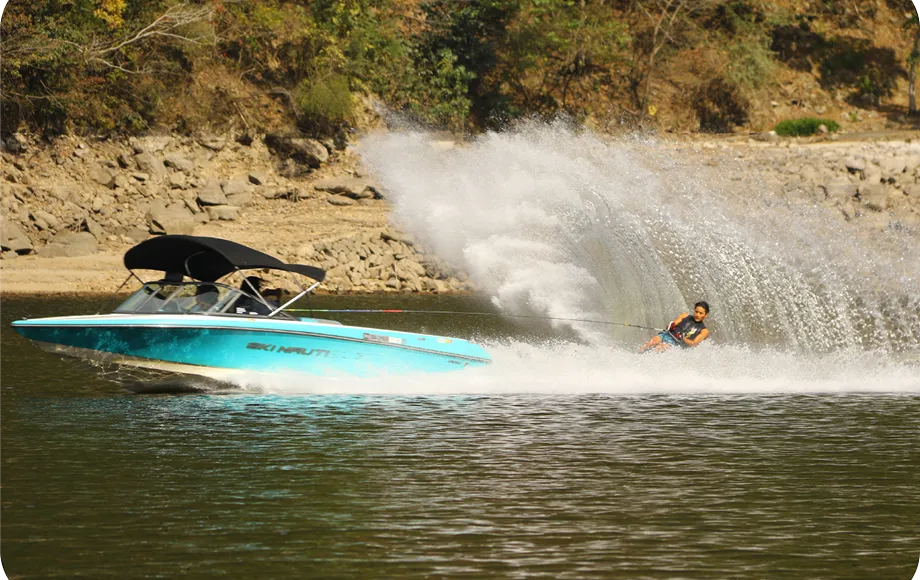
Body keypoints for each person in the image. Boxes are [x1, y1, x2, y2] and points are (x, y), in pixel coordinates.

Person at [639, 301, 711, 353]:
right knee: (652, 342)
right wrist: (671, 326)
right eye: (696, 311)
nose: (697, 315)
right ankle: (638, 355)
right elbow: (672, 324)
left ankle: (646, 363)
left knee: (659, 347)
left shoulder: (704, 331)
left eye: (701, 313)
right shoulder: (684, 315)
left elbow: (694, 343)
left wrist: (684, 338)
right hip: (667, 335)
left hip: (676, 344)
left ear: (706, 315)